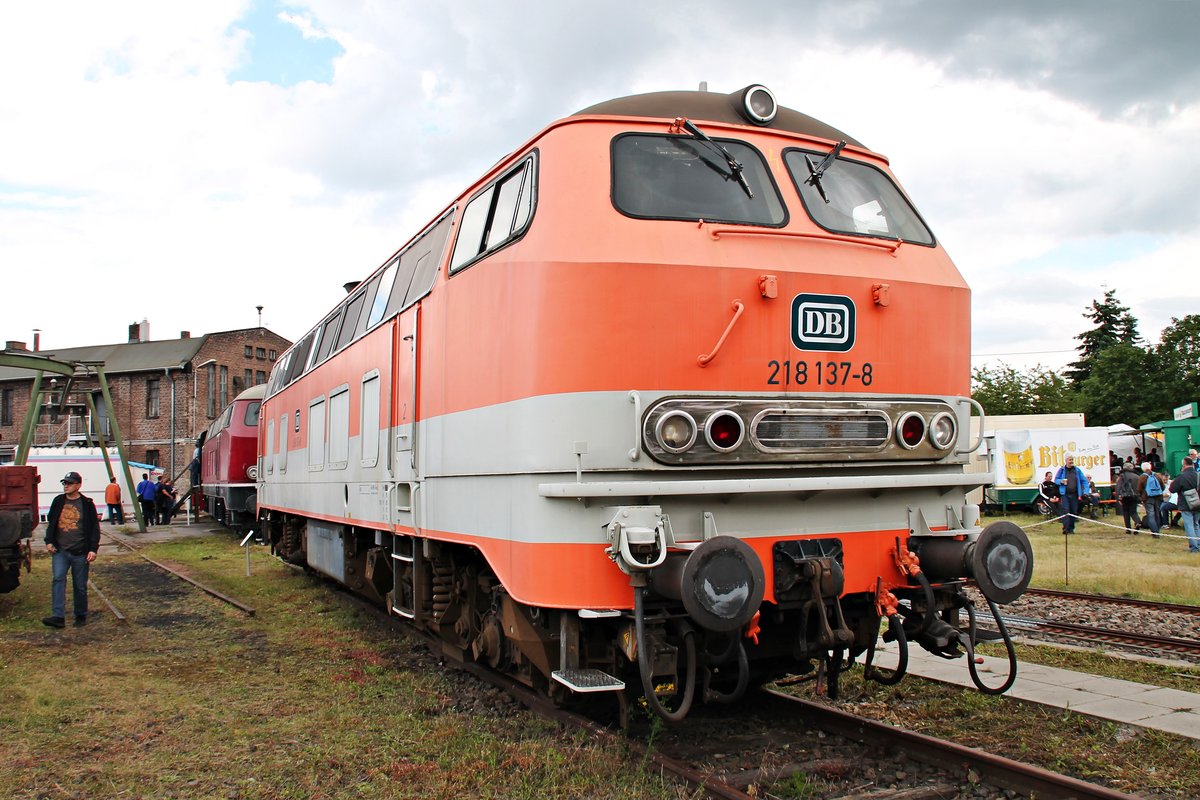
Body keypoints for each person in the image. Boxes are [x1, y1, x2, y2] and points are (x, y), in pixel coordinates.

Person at [42, 471, 101, 628]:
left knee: (80, 585)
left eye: (69, 483)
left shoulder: (87, 504)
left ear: (78, 485)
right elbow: (52, 523)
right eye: (64, 483)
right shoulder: (58, 501)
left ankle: (80, 615)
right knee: (58, 579)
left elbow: (94, 528)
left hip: (80, 552)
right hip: (60, 551)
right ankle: (58, 617)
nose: (66, 486)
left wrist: (93, 549)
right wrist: (49, 541)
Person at [1168, 456, 1200, 553]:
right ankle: (1198, 544)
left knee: (1189, 526)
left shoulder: (1181, 477)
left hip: (1185, 504)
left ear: (1184, 465)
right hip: (1198, 503)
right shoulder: (1198, 475)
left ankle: (1194, 547)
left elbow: (1172, 489)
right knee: (1196, 524)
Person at [1054, 456, 1090, 535]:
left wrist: (1086, 492)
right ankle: (1066, 529)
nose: (1071, 461)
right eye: (1070, 460)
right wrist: (1061, 481)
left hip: (1074, 494)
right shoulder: (1061, 470)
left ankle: (1071, 529)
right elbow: (1056, 480)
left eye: (1072, 460)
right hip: (1065, 494)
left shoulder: (1077, 470)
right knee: (1066, 510)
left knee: (1073, 511)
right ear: (1066, 460)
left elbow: (1084, 481)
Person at [1137, 462, 1164, 537]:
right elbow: (1162, 487)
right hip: (1158, 497)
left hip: (1148, 498)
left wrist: (1141, 497)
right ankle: (1157, 530)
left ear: (1142, 469)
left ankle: (1155, 532)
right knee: (1157, 514)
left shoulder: (1142, 477)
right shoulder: (1157, 475)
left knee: (1150, 515)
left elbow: (1139, 489)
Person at [1114, 462, 1142, 534]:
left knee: (1126, 512)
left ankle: (1128, 529)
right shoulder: (1137, 476)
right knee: (1133, 511)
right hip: (1135, 496)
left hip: (1125, 496)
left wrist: (1118, 497)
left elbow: (1118, 487)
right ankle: (1137, 522)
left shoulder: (1122, 476)